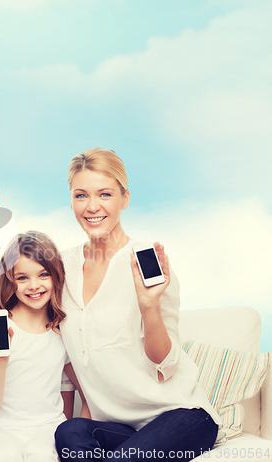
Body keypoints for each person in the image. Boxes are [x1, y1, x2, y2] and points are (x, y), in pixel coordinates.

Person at [54, 148, 222, 462]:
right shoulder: (62, 267)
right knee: (69, 433)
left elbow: (165, 365)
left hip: (180, 416)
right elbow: (71, 356)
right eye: (81, 195)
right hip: (121, 427)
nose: (92, 207)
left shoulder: (145, 263)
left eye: (105, 194)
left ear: (125, 198)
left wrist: (149, 305)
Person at [0, 231, 89, 462]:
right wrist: (1, 362)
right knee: (3, 456)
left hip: (47, 429)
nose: (34, 286)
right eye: (22, 278)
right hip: (1, 431)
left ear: (56, 276)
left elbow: (87, 390)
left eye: (43, 274)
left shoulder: (62, 331)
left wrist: (81, 429)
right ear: (10, 280)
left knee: (41, 456)